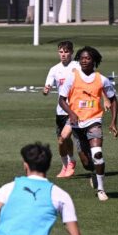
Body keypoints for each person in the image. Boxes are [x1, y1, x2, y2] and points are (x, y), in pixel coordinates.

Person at [57, 46, 118, 201]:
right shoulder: (72, 78)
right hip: (77, 124)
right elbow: (61, 99)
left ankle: (101, 189)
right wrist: (71, 114)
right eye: (82, 58)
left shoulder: (101, 79)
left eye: (88, 58)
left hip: (94, 121)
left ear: (94, 61)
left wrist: (113, 122)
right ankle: (93, 173)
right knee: (86, 162)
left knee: (97, 154)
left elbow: (113, 99)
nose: (84, 61)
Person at [42, 40, 80, 178]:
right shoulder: (54, 69)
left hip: (74, 110)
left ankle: (71, 163)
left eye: (66, 52)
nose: (63, 54)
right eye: (61, 52)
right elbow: (47, 87)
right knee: (61, 141)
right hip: (60, 111)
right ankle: (66, 165)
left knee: (65, 137)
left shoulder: (78, 66)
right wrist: (46, 90)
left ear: (71, 52)